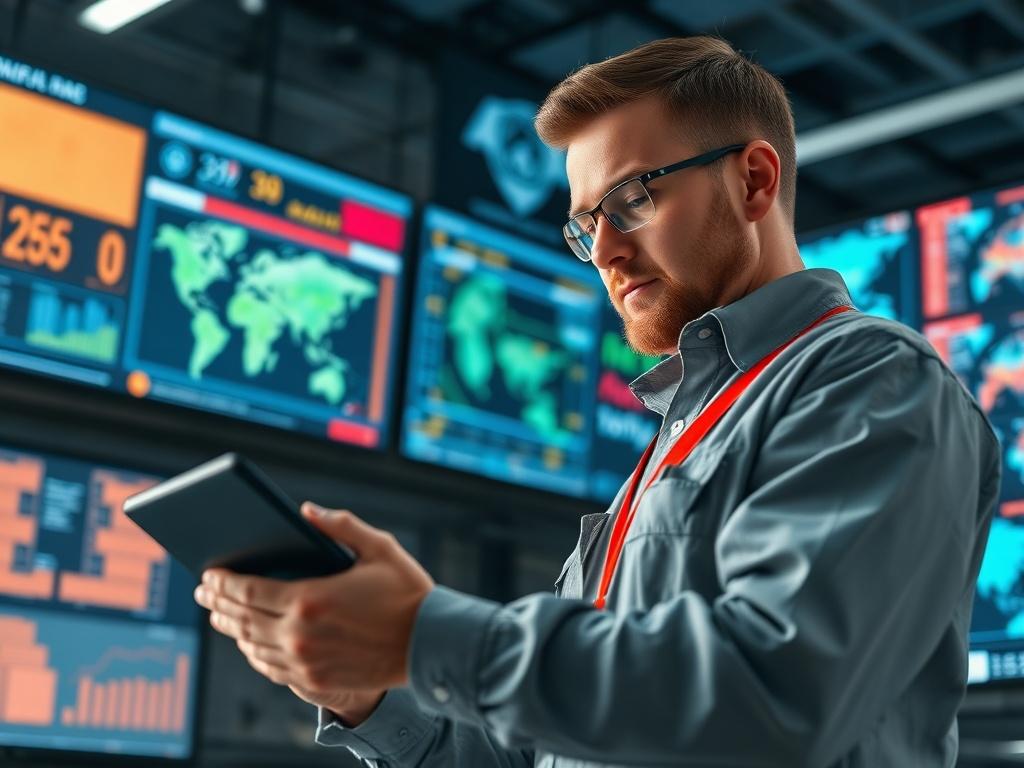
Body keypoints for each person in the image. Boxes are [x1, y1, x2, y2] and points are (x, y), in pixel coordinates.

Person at [193, 36, 1001, 767]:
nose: (606, 252)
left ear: (754, 180)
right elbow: (535, 755)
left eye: (633, 199)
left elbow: (776, 697)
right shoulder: (672, 446)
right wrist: (369, 685)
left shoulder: (871, 380)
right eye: (587, 227)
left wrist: (420, 634)